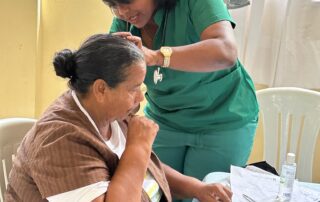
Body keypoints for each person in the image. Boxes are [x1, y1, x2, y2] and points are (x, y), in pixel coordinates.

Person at [5, 34, 232, 202]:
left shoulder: (109, 109)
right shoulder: (59, 141)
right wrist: (139, 146)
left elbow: (144, 169)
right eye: (134, 88)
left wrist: (196, 188)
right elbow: (134, 161)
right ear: (101, 89)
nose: (141, 97)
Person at [103, 0, 259, 183]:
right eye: (113, 4)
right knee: (156, 190)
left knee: (204, 192)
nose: (122, 11)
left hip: (223, 119)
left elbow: (226, 52)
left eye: (127, 0)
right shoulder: (126, 22)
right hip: (165, 119)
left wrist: (156, 57)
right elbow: (114, 76)